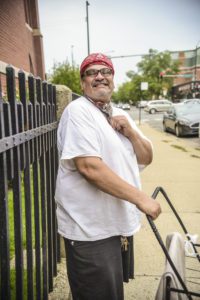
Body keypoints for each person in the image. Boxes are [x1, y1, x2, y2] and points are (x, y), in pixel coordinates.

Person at [55, 52, 161, 300]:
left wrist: (131, 133)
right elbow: (89, 166)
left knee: (112, 292)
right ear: (83, 82)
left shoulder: (118, 113)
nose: (100, 76)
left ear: (113, 79)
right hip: (90, 230)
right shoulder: (78, 112)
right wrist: (140, 199)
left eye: (106, 71)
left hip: (114, 225)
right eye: (92, 72)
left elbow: (145, 157)